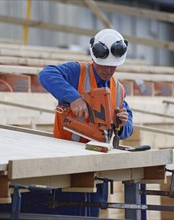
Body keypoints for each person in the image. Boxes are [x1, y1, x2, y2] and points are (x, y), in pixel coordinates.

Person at [36, 29, 133, 217]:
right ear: (94, 57)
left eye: (113, 67)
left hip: (96, 163)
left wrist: (122, 122)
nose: (108, 70)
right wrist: (73, 97)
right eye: (103, 65)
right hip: (65, 161)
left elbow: (127, 129)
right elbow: (46, 74)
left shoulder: (118, 90)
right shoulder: (77, 72)